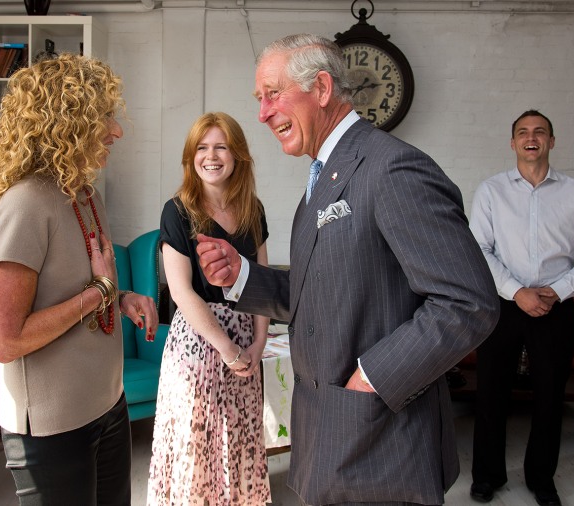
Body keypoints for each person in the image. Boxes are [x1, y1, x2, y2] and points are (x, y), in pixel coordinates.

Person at [195, 33, 500, 506]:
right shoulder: (324, 176)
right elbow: (319, 291)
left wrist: (373, 376)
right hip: (331, 435)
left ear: (320, 88)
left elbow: (468, 302)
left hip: (381, 441)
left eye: (273, 94)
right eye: (259, 99)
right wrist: (241, 277)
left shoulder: (392, 168)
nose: (262, 114)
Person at [0, 53, 158, 505]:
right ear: (67, 121)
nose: (115, 131)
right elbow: (4, 340)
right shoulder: (25, 205)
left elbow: (73, 285)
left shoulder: (84, 193)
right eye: (103, 118)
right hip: (52, 426)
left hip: (106, 402)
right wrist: (100, 293)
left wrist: (123, 297)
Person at [468, 110, 574, 506]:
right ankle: (487, 476)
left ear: (551, 141)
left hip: (556, 305)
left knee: (549, 397)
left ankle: (541, 478)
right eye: (523, 133)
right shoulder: (492, 191)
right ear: (512, 143)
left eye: (540, 132)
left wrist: (556, 290)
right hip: (504, 303)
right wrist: (517, 292)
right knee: (492, 394)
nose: (532, 138)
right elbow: (479, 250)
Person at [147, 112, 271, 505]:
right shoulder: (178, 210)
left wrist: (258, 344)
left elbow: (263, 282)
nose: (211, 156)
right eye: (202, 147)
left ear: (237, 156)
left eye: (221, 147)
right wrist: (228, 348)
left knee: (240, 446)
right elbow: (182, 293)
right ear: (191, 156)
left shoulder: (253, 209)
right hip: (198, 346)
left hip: (246, 347)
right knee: (197, 452)